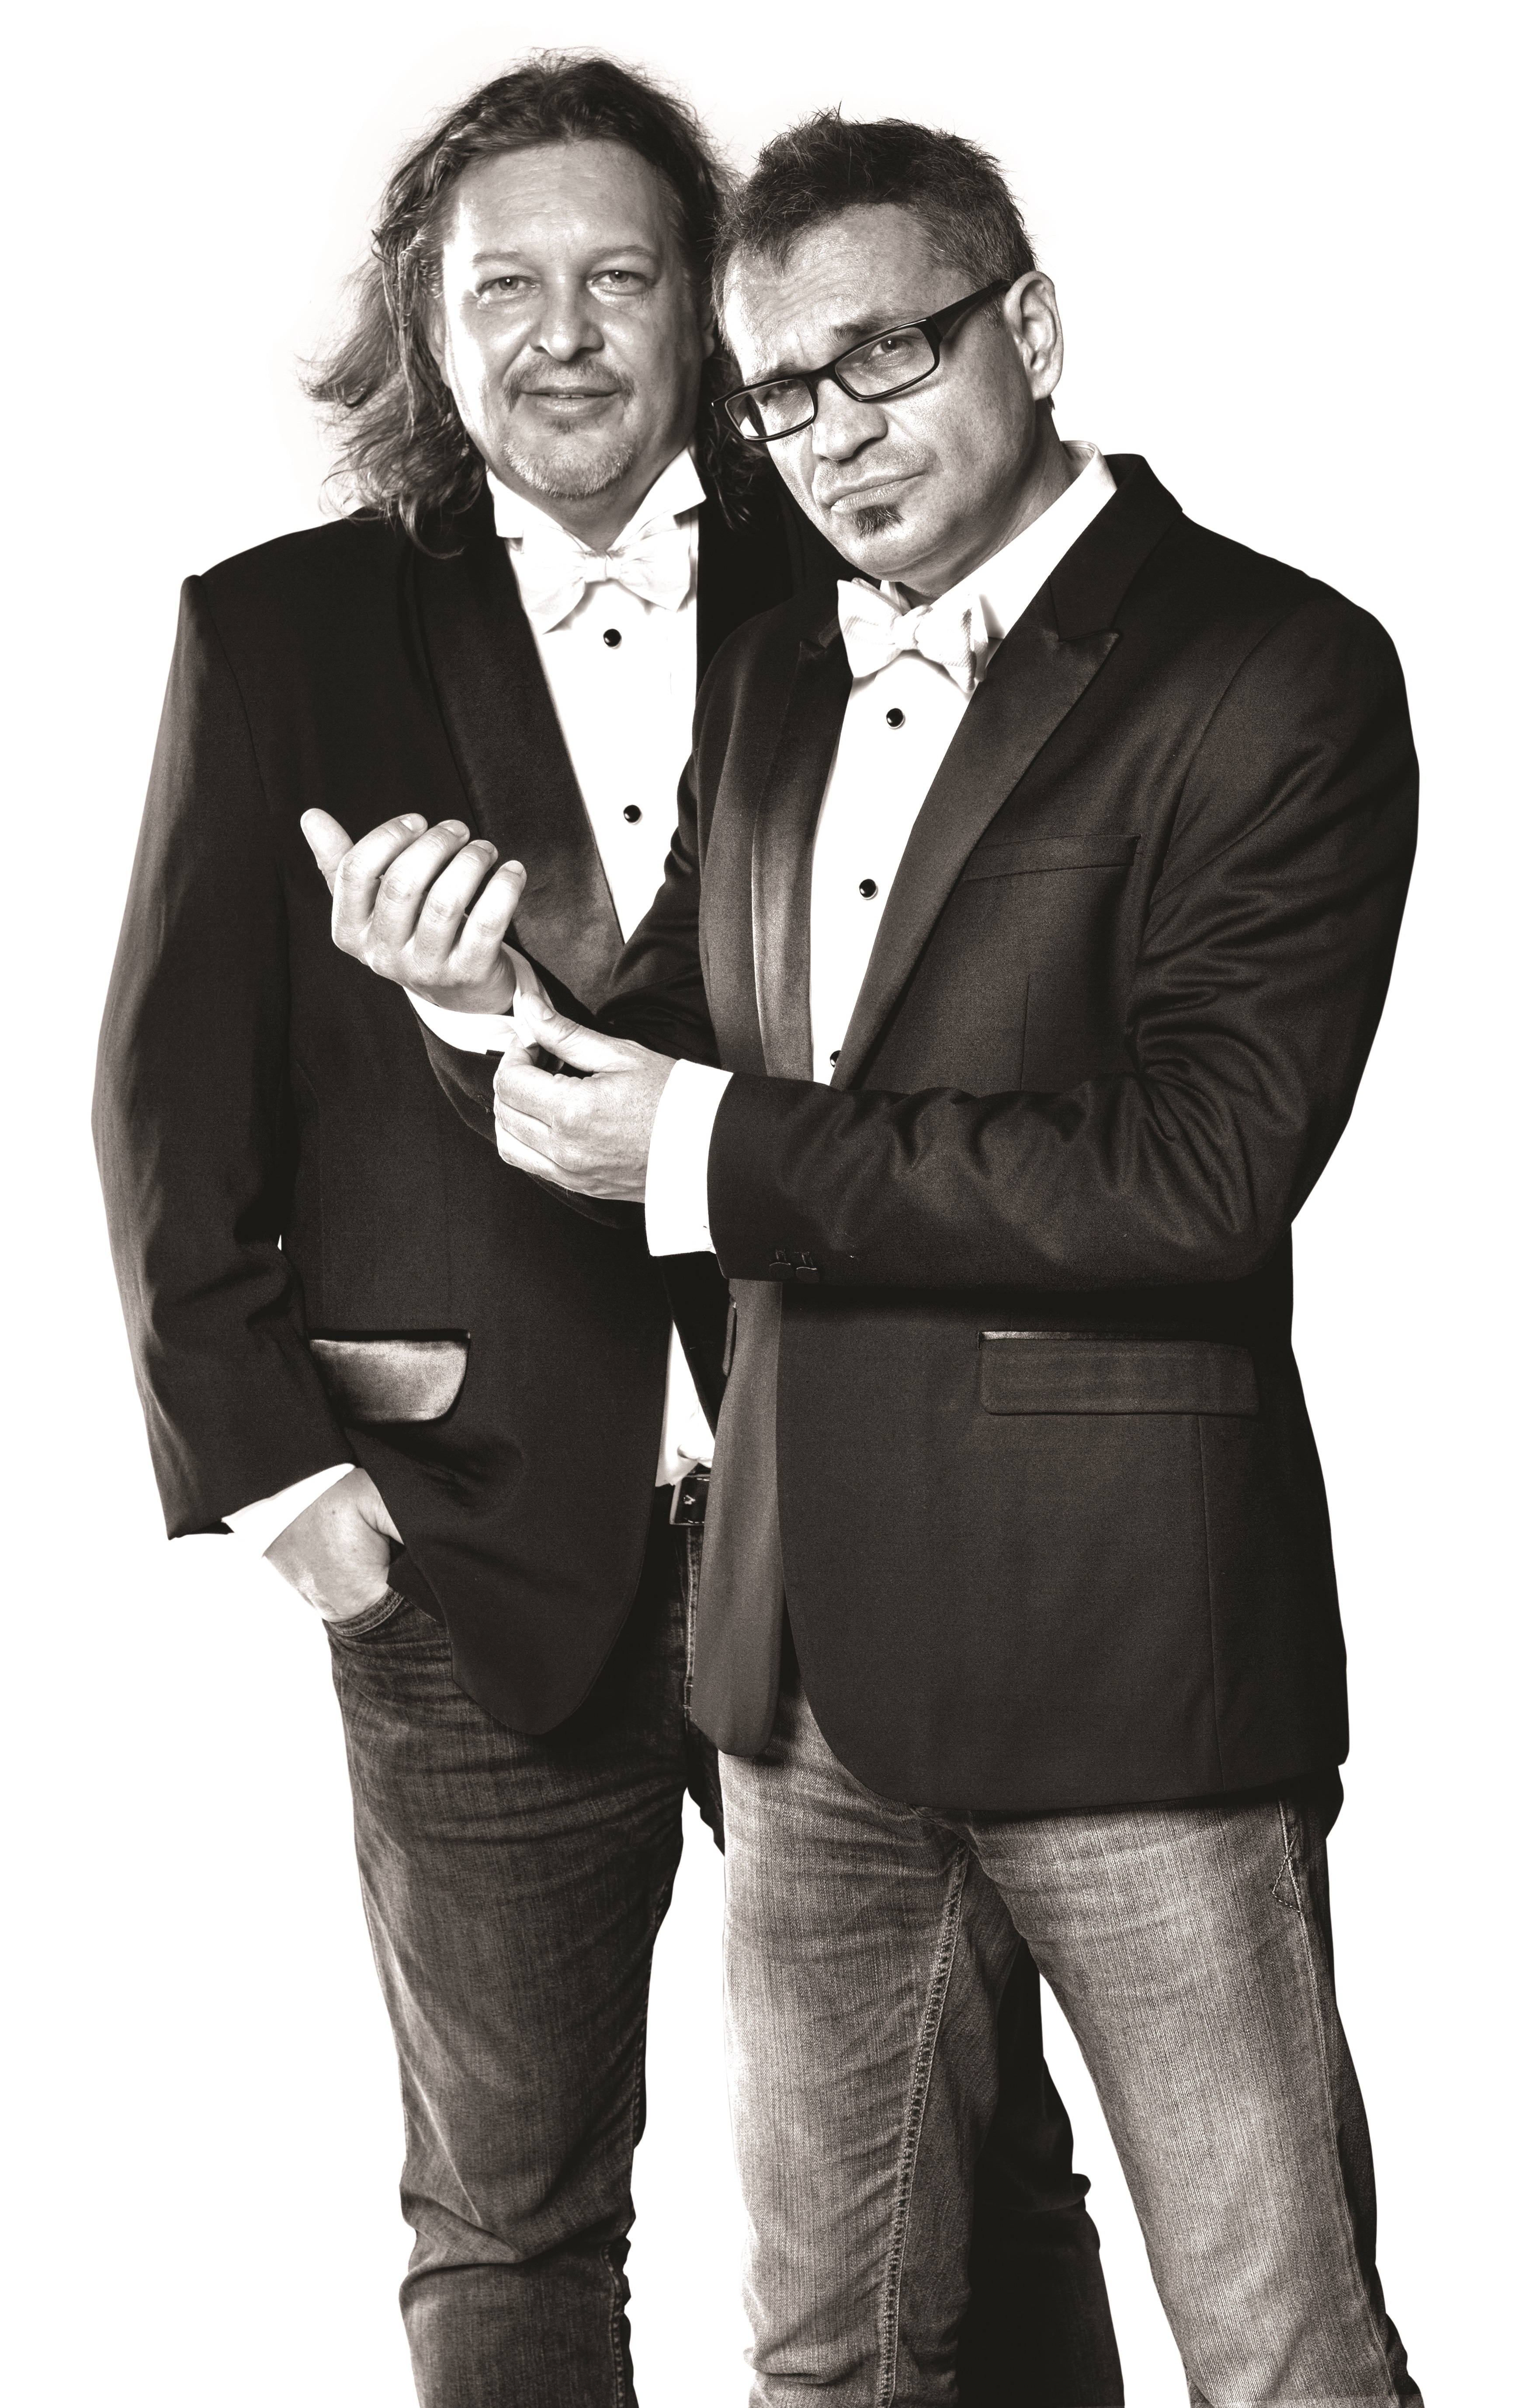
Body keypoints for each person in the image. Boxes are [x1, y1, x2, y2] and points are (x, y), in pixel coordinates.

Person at [324, 111, 1424, 2407]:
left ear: (1031, 327)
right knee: (827, 2360)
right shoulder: (781, 684)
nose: (834, 435)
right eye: (781, 397)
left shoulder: (1272, 667)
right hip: (805, 1670)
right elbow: (671, 1055)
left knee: (1284, 2356)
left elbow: (1202, 1169)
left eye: (886, 358)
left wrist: (713, 1142)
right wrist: (474, 1008)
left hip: (1131, 1661)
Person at [97, 61, 1123, 2408]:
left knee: (977, 2158)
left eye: (621, 277)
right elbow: (164, 1098)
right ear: (428, 324)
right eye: (506, 287)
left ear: (706, 308)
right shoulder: (279, 632)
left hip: (859, 1509)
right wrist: (287, 1494)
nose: (563, 334)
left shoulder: (870, 576)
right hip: (456, 1542)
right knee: (509, 2208)